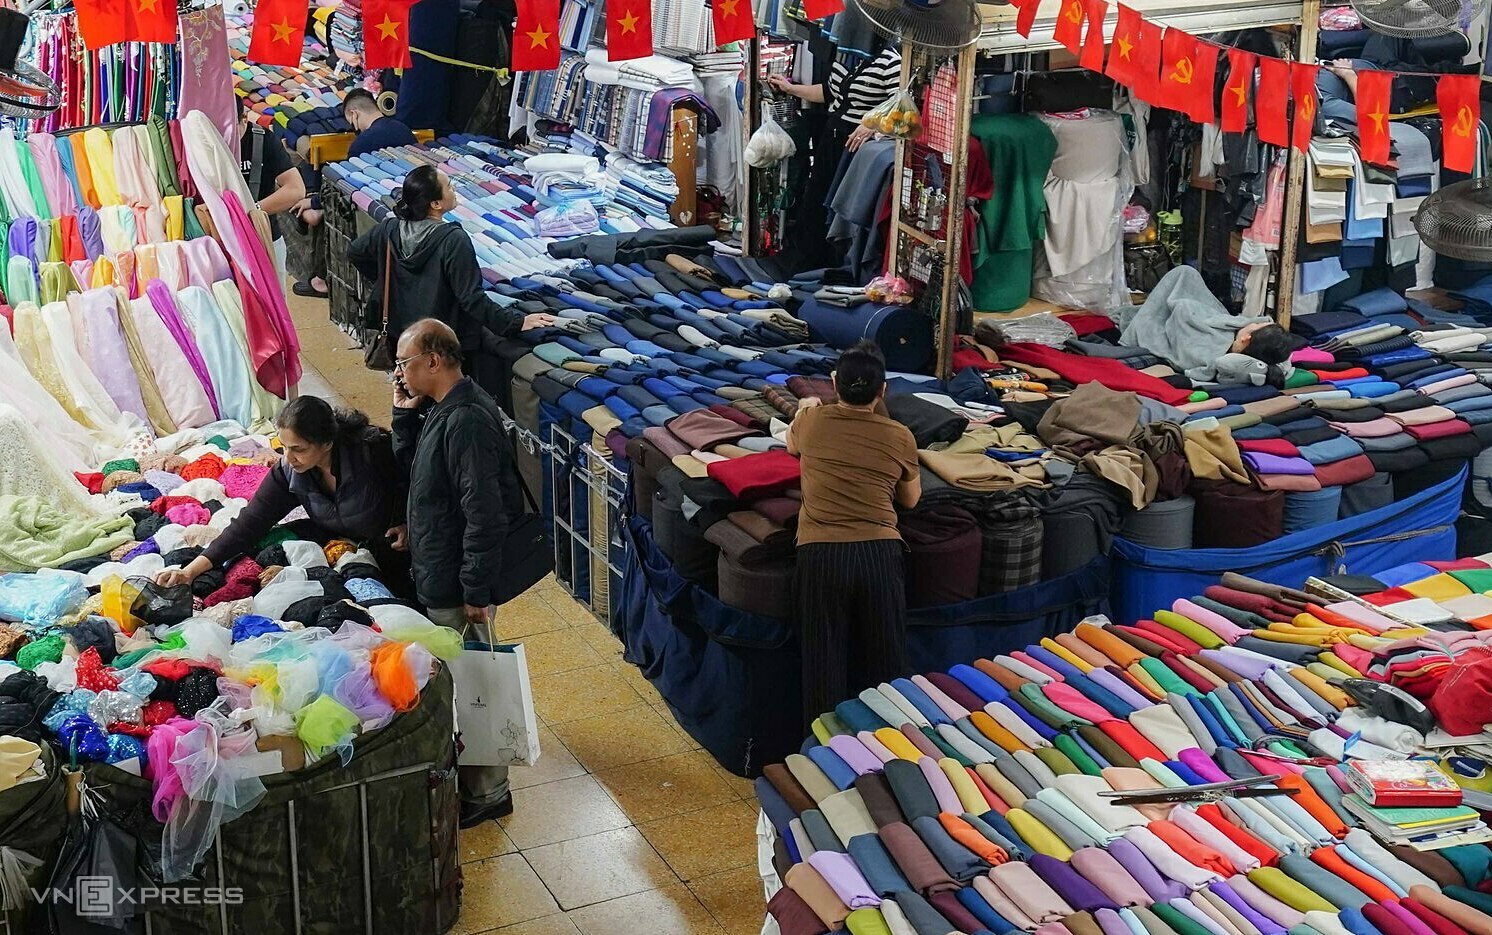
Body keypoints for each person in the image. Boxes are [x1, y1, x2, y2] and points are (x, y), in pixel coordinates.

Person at [391, 318, 527, 826]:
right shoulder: (442, 410)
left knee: (473, 687)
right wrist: (404, 417)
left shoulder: (466, 419)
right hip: (441, 569)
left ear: (433, 360)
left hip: (456, 581)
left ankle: (490, 792)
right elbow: (420, 478)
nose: (399, 373)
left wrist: (476, 588)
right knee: (460, 684)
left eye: (404, 363)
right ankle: (476, 784)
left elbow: (484, 512)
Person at [786, 340, 920, 723]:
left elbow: (792, 445)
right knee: (886, 667)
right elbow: (910, 499)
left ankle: (822, 750)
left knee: (822, 665)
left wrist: (806, 407)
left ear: (834, 384)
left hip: (821, 553)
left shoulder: (811, 422)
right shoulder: (900, 435)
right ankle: (889, 747)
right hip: (880, 553)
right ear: (883, 391)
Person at [155, 396, 410, 594]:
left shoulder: (372, 453)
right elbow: (249, 524)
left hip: (396, 554)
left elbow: (419, 489)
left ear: (327, 443)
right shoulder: (290, 472)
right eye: (284, 447)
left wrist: (408, 522)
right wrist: (190, 571)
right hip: (345, 553)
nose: (288, 457)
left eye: (299, 448)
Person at [348, 165, 555, 391]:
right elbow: (471, 299)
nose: (454, 190)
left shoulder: (389, 229)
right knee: (447, 399)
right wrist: (517, 322)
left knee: (409, 393)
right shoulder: (453, 240)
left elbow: (355, 252)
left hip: (403, 338)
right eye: (449, 186)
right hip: (444, 343)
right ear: (435, 204)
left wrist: (387, 282)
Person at [766, 37, 900, 271]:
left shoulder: (891, 63)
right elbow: (828, 93)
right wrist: (790, 88)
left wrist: (874, 124)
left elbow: (901, 109)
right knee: (815, 200)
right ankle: (804, 264)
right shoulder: (846, 55)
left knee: (841, 209)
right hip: (831, 136)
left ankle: (836, 267)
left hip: (858, 147)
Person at [291, 90, 419, 298]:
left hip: (375, 212)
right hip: (409, 202)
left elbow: (346, 187)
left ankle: (322, 280)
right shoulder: (404, 130)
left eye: (350, 120)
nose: (352, 126)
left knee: (331, 210)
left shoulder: (362, 143)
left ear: (354, 113)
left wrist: (314, 202)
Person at [1111, 266, 1296, 385]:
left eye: (1254, 326)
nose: (1253, 323)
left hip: (1183, 318)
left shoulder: (1215, 351)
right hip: (1205, 319)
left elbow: (1184, 312)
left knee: (1185, 273)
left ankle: (1150, 314)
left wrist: (1188, 306)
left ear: (1247, 338)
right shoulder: (1255, 354)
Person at [238, 96, 307, 290]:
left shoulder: (263, 140)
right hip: (224, 241)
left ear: (244, 118)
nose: (225, 136)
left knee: (274, 299)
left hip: (265, 237)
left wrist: (251, 212)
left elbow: (296, 190)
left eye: (230, 127)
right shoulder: (207, 143)